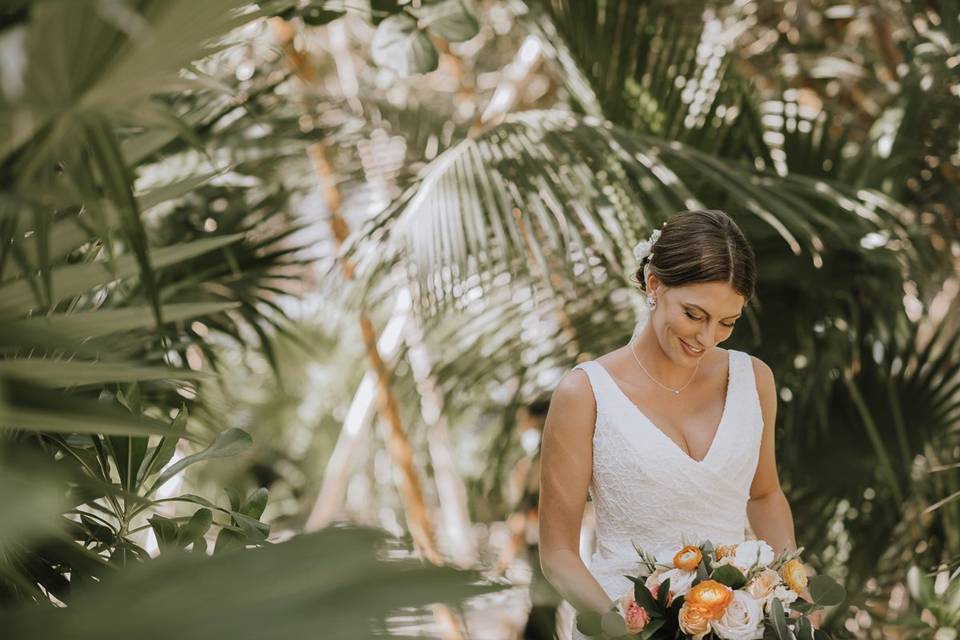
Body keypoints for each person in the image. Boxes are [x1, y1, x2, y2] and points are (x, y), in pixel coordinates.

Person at [537, 209, 821, 639]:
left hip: (740, 626)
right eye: (694, 314)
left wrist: (793, 594)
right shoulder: (585, 393)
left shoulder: (754, 380)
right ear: (654, 285)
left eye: (727, 323)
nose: (706, 338)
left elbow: (764, 495)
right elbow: (557, 552)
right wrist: (622, 629)